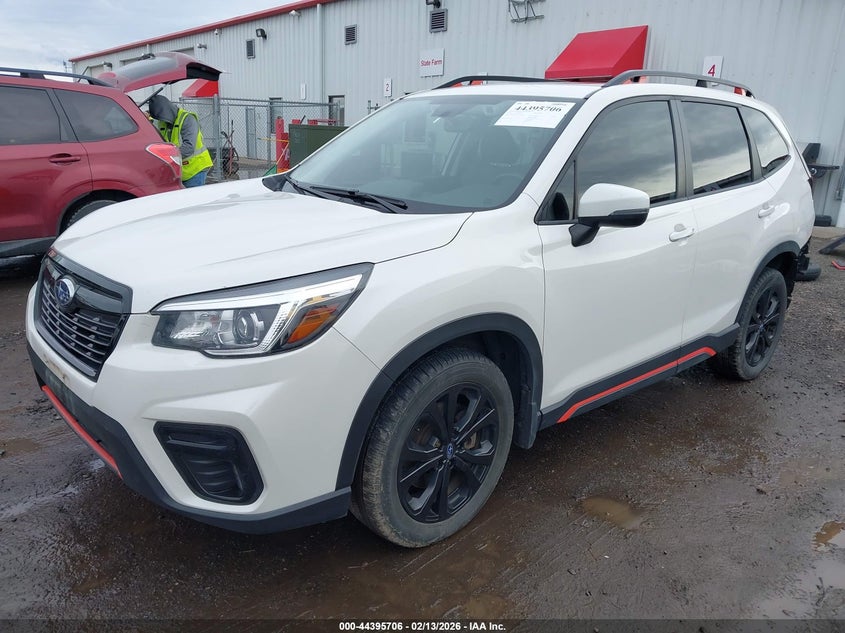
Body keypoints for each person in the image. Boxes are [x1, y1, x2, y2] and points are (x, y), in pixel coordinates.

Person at [148, 95, 213, 187]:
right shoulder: (162, 121)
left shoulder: (187, 119)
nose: (161, 120)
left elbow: (189, 147)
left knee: (192, 196)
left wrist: (167, 157)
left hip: (195, 168)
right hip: (180, 170)